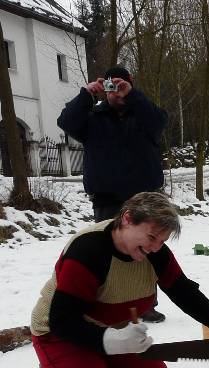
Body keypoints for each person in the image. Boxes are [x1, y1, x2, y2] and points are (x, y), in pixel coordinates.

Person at [30, 192, 209, 368]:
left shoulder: (155, 253)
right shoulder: (88, 250)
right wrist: (108, 340)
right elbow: (62, 320)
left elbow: (183, 291)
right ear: (127, 219)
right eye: (151, 237)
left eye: (162, 241)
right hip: (62, 335)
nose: (155, 247)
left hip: (115, 332)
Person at [57, 65, 169, 323]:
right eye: (110, 86)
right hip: (106, 199)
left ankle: (146, 303)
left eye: (120, 85)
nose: (115, 91)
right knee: (109, 254)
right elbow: (66, 122)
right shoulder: (93, 118)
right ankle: (111, 302)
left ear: (130, 84)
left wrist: (132, 95)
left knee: (147, 250)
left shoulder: (143, 115)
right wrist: (86, 94)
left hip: (143, 199)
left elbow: (159, 122)